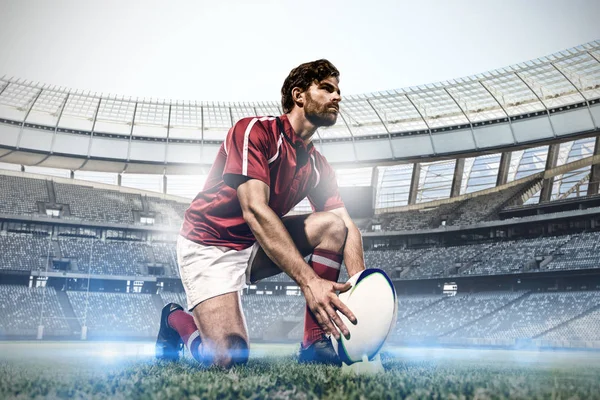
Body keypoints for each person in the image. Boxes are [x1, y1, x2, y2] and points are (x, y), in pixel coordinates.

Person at [156, 59, 365, 368]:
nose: (338, 97)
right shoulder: (254, 130)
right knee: (228, 357)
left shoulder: (317, 164)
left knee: (333, 226)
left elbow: (347, 226)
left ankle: (313, 343)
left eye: (338, 91)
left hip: (257, 243)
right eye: (326, 89)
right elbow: (254, 208)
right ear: (299, 96)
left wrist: (365, 288)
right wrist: (310, 282)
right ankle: (175, 317)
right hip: (210, 244)